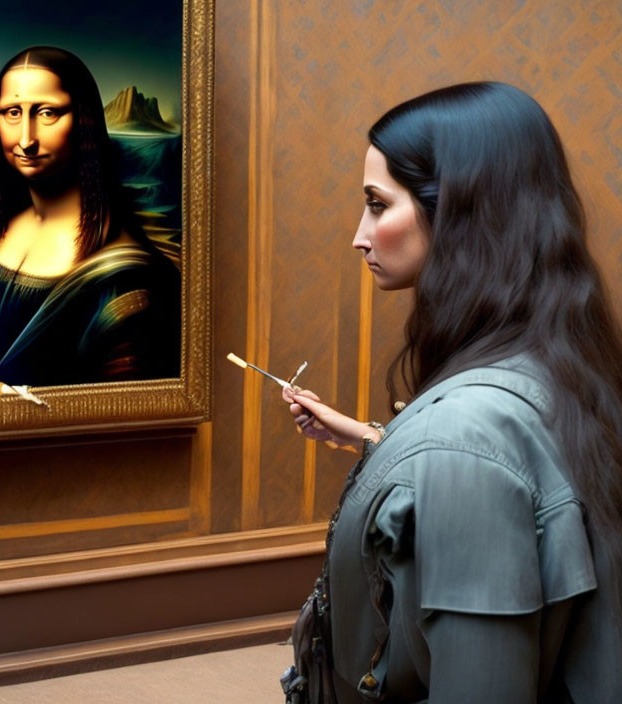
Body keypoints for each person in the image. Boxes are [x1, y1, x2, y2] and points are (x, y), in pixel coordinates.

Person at [280, 82, 622, 703]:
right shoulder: (561, 362)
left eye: (378, 205)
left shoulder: (468, 440)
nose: (360, 236)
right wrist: (366, 437)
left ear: (460, 213)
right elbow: (521, 476)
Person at [0, 46, 181, 396]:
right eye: (12, 112)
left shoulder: (127, 280)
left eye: (47, 112)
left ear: (84, 121)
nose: (26, 139)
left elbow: (118, 414)